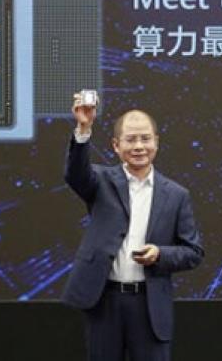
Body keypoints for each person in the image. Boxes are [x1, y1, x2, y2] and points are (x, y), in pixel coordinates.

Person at [62, 93, 204, 361]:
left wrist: (160, 254)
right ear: (116, 146)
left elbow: (193, 252)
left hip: (149, 304)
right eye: (130, 139)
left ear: (156, 142)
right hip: (105, 300)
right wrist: (83, 128)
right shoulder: (100, 180)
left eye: (145, 139)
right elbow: (75, 174)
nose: (139, 146)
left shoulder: (177, 195)